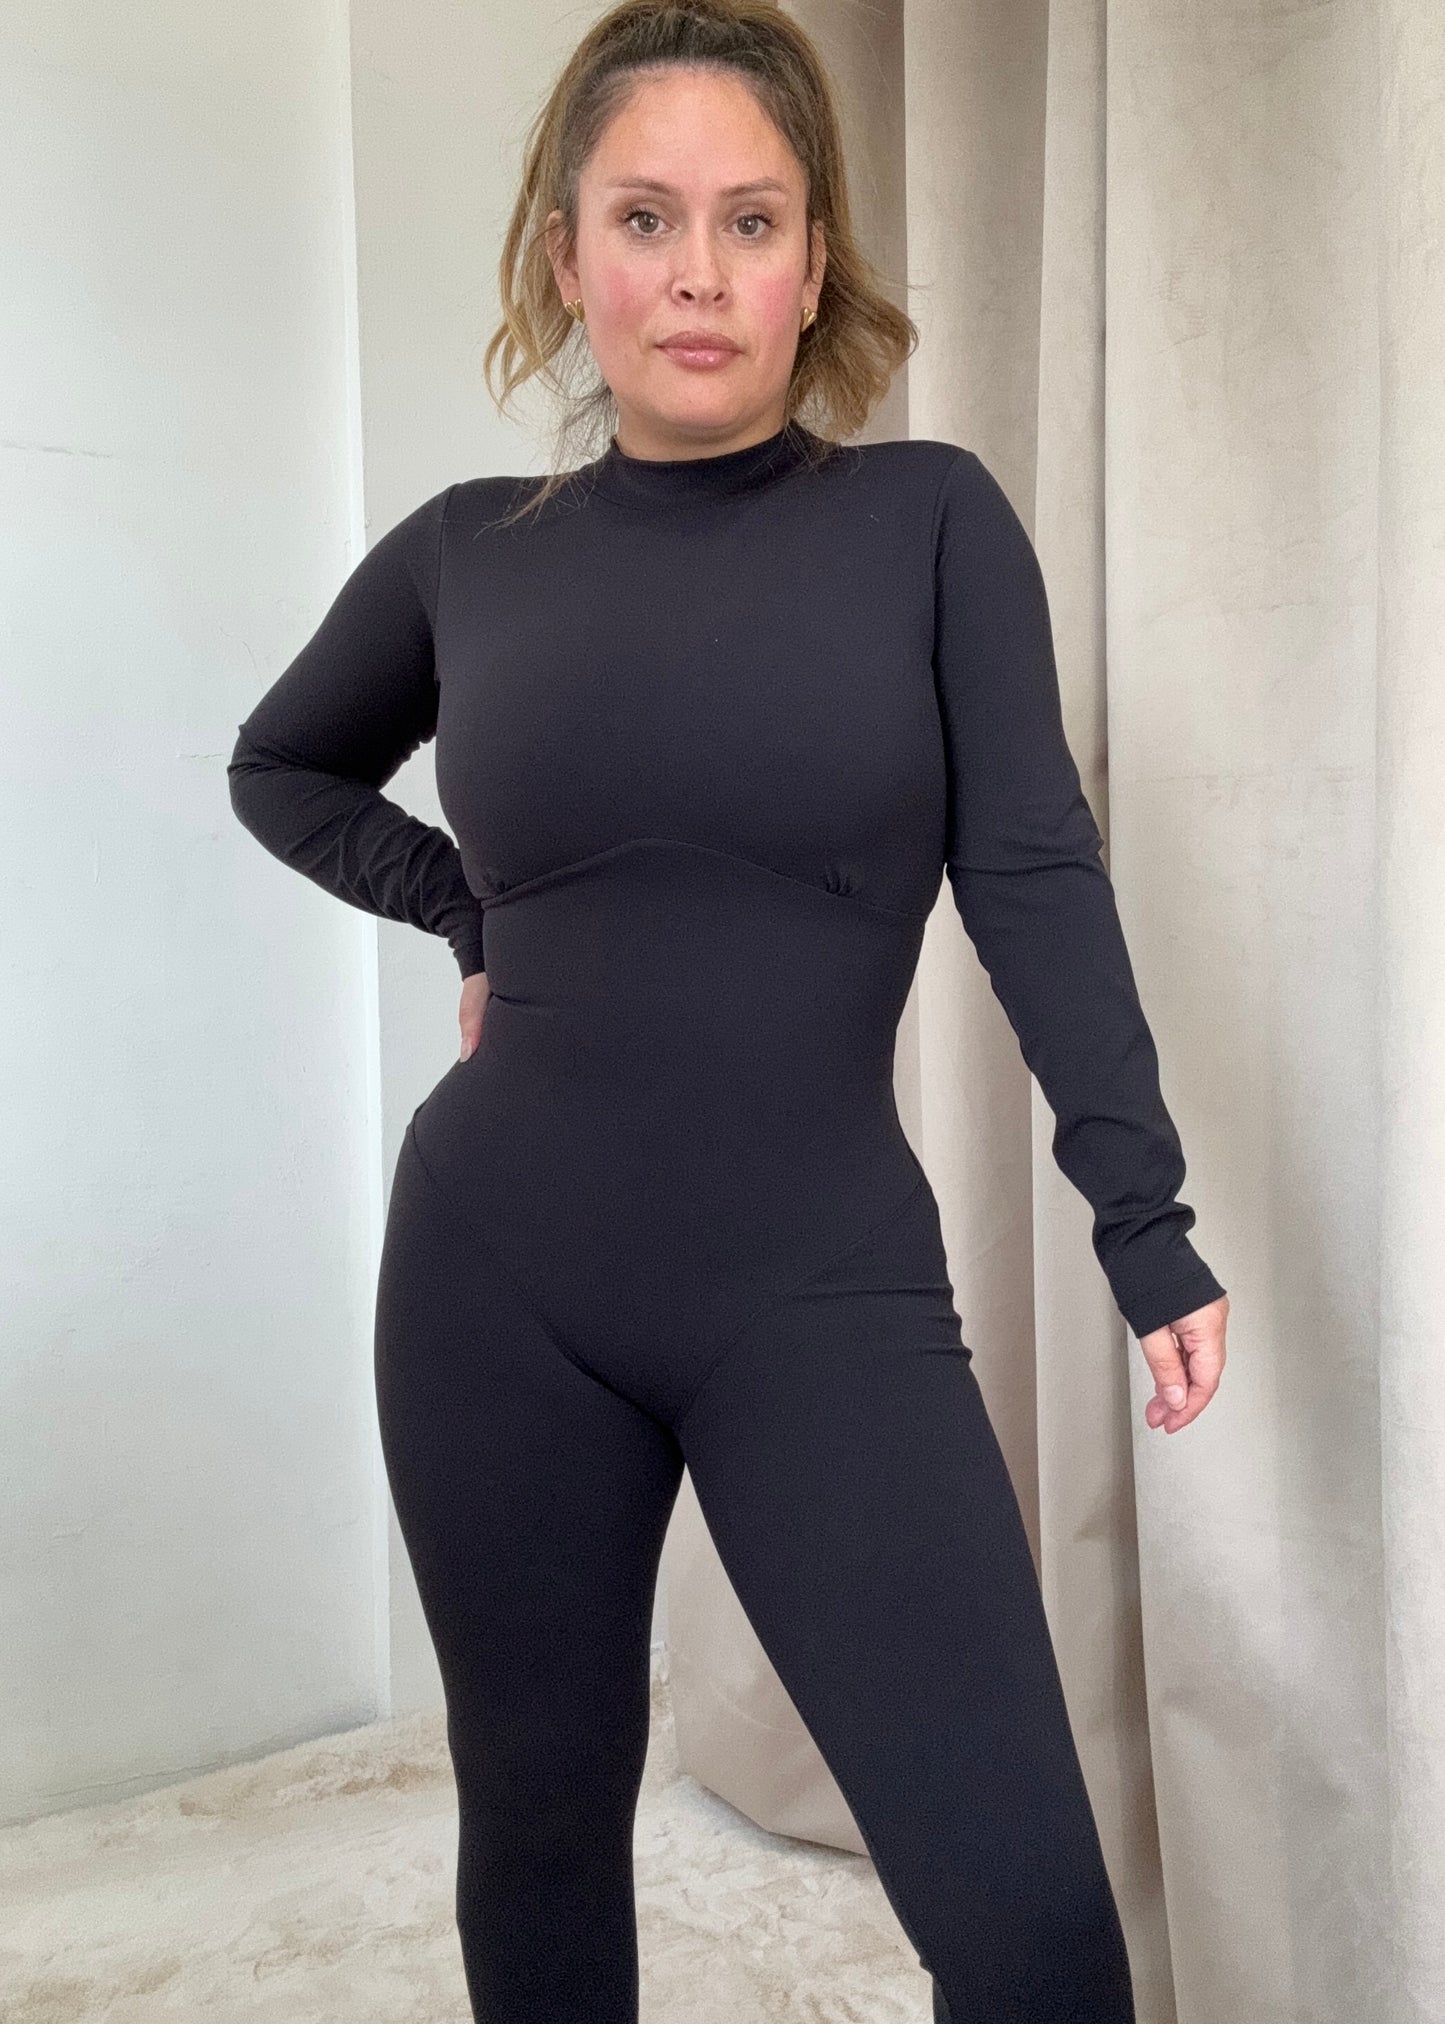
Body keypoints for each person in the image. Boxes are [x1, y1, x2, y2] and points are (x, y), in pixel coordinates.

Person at [226, 3, 1229, 2017]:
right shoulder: (463, 556)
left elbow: (1034, 870)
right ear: (564, 253)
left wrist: (1143, 1214)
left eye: (750, 221)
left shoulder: (929, 521)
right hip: (496, 1279)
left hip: (817, 1285)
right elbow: (284, 766)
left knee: (1032, 1925)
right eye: (646, 217)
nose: (697, 272)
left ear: (813, 258)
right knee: (538, 1829)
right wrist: (465, 915)